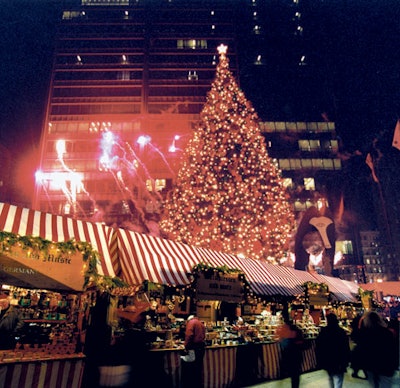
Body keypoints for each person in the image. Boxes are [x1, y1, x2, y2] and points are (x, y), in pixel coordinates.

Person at [356, 311, 398, 388]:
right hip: (386, 364)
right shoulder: (387, 333)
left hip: (370, 364)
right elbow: (393, 350)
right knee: (385, 385)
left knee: (373, 385)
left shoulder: (365, 334)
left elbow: (360, 348)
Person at [316, 313, 350, 388]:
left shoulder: (324, 331)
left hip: (328, 358)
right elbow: (345, 347)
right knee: (339, 378)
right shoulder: (341, 331)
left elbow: (319, 346)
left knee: (330, 377)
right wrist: (346, 359)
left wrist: (320, 359)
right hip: (339, 359)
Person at [275, 315, 304, 388]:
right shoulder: (297, 331)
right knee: (295, 374)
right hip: (297, 355)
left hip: (289, 354)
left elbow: (281, 342)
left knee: (293, 373)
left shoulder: (285, 331)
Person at [182, 314, 206, 388]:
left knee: (192, 368)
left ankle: (191, 385)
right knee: (198, 368)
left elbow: (189, 335)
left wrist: (186, 346)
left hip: (194, 347)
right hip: (201, 347)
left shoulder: (191, 323)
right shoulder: (200, 323)